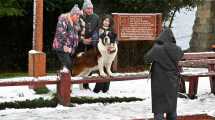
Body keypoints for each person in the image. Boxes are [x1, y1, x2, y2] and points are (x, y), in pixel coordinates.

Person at [144, 27, 184, 120]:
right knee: (172, 107)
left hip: (158, 81)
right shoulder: (177, 49)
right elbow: (180, 55)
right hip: (172, 80)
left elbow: (146, 58)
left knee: (159, 107)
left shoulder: (157, 48)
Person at [52, 4, 82, 72]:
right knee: (68, 65)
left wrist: (72, 48)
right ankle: (63, 79)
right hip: (62, 47)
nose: (78, 17)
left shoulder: (75, 23)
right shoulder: (63, 20)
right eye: (76, 15)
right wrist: (65, 46)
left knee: (67, 67)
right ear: (72, 14)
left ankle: (62, 80)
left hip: (70, 49)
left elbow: (75, 37)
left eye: (79, 15)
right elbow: (61, 33)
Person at [78, 0, 100, 89]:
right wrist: (82, 40)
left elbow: (98, 30)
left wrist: (93, 39)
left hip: (91, 44)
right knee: (78, 64)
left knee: (89, 65)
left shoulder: (96, 17)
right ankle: (72, 82)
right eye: (88, 8)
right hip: (80, 44)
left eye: (91, 8)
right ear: (84, 9)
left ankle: (85, 85)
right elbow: (73, 31)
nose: (90, 10)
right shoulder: (78, 16)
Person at [93, 14, 117, 93]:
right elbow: (95, 37)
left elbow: (116, 40)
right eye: (105, 20)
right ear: (102, 21)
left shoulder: (112, 30)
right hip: (100, 51)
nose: (106, 22)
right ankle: (97, 89)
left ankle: (105, 89)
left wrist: (113, 45)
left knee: (108, 69)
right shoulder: (98, 29)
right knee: (101, 69)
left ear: (110, 23)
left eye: (108, 21)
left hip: (109, 52)